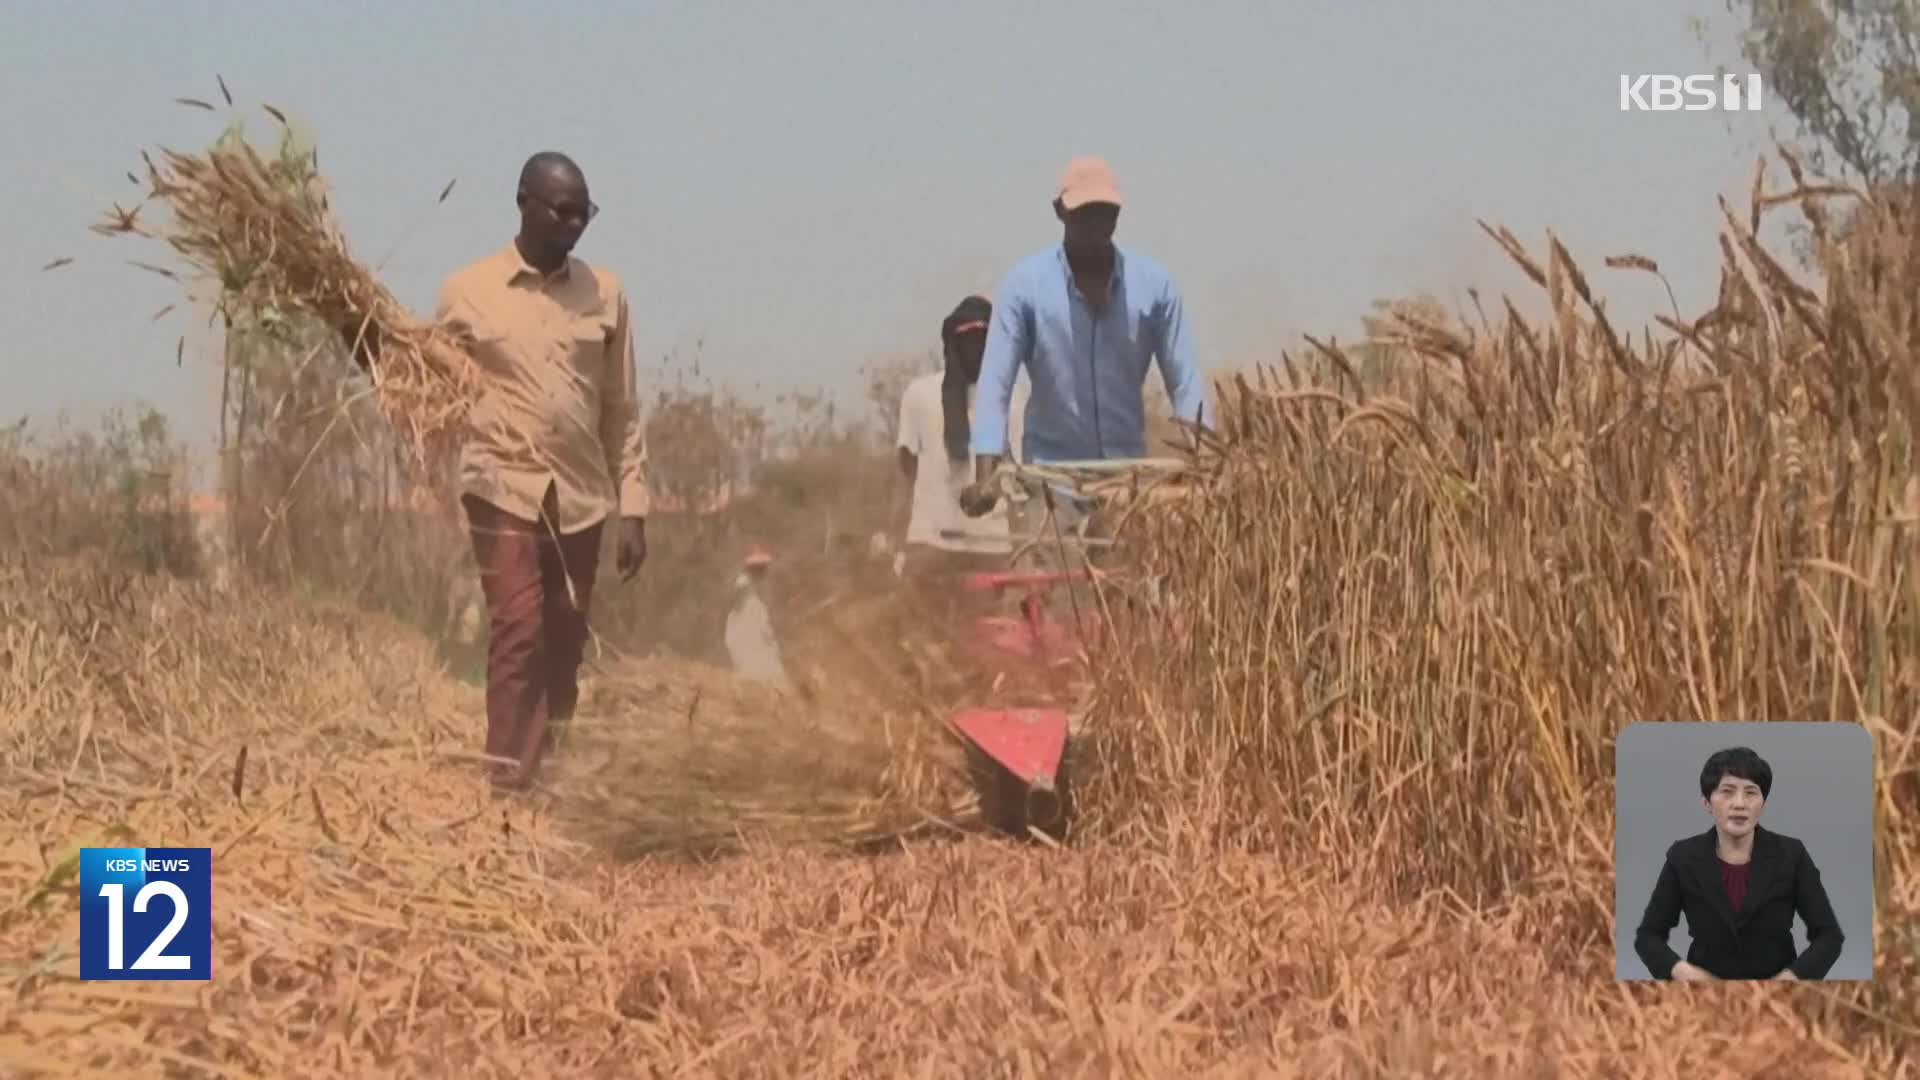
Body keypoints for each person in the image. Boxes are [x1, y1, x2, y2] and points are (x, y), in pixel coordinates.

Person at [357, 151, 649, 791]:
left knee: (565, 639)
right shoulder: (467, 291)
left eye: (585, 213)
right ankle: (507, 784)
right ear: (524, 203)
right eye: (564, 211)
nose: (577, 225)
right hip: (500, 485)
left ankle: (554, 775)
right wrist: (369, 347)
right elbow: (427, 385)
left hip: (580, 493)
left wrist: (634, 507)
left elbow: (622, 408)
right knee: (519, 625)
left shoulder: (607, 294)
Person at [958, 155, 1212, 541]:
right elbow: (995, 385)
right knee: (1053, 593)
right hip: (1049, 484)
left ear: (1118, 216)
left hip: (1129, 486)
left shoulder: (1155, 289)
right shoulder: (1024, 289)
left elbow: (1185, 384)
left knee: (1129, 593)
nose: (1096, 226)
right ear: (1060, 212)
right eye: (1085, 214)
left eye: (1105, 214)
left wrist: (1203, 463)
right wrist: (986, 477)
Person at [1633, 746, 1845, 981]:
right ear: (1706, 802)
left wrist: (1792, 978)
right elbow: (1648, 936)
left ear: (1763, 802)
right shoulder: (1682, 857)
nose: (1740, 804)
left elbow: (1829, 935)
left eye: (1751, 792)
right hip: (1703, 996)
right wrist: (1682, 972)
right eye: (1727, 791)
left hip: (1778, 995)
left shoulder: (1792, 854)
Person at [889, 295, 1029, 578]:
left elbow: (1017, 482)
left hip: (990, 549)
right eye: (967, 338)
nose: (975, 347)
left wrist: (1025, 553)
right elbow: (905, 476)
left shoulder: (1013, 399)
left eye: (983, 338)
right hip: (931, 545)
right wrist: (893, 540)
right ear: (953, 342)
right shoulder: (919, 394)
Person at [725, 545, 786, 683]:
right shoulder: (743, 584)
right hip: (746, 632)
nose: (764, 570)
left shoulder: (757, 588)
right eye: (761, 567)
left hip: (756, 633)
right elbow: (741, 609)